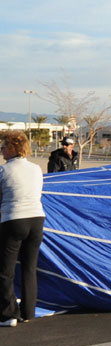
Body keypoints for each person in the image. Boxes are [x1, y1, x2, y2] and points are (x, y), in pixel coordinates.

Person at [0, 131, 46, 327]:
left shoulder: (4, 171)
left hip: (13, 220)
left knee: (5, 271)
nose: (1, 150)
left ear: (12, 148)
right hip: (37, 219)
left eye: (3, 146)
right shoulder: (36, 169)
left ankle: (8, 314)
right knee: (29, 268)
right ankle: (29, 312)